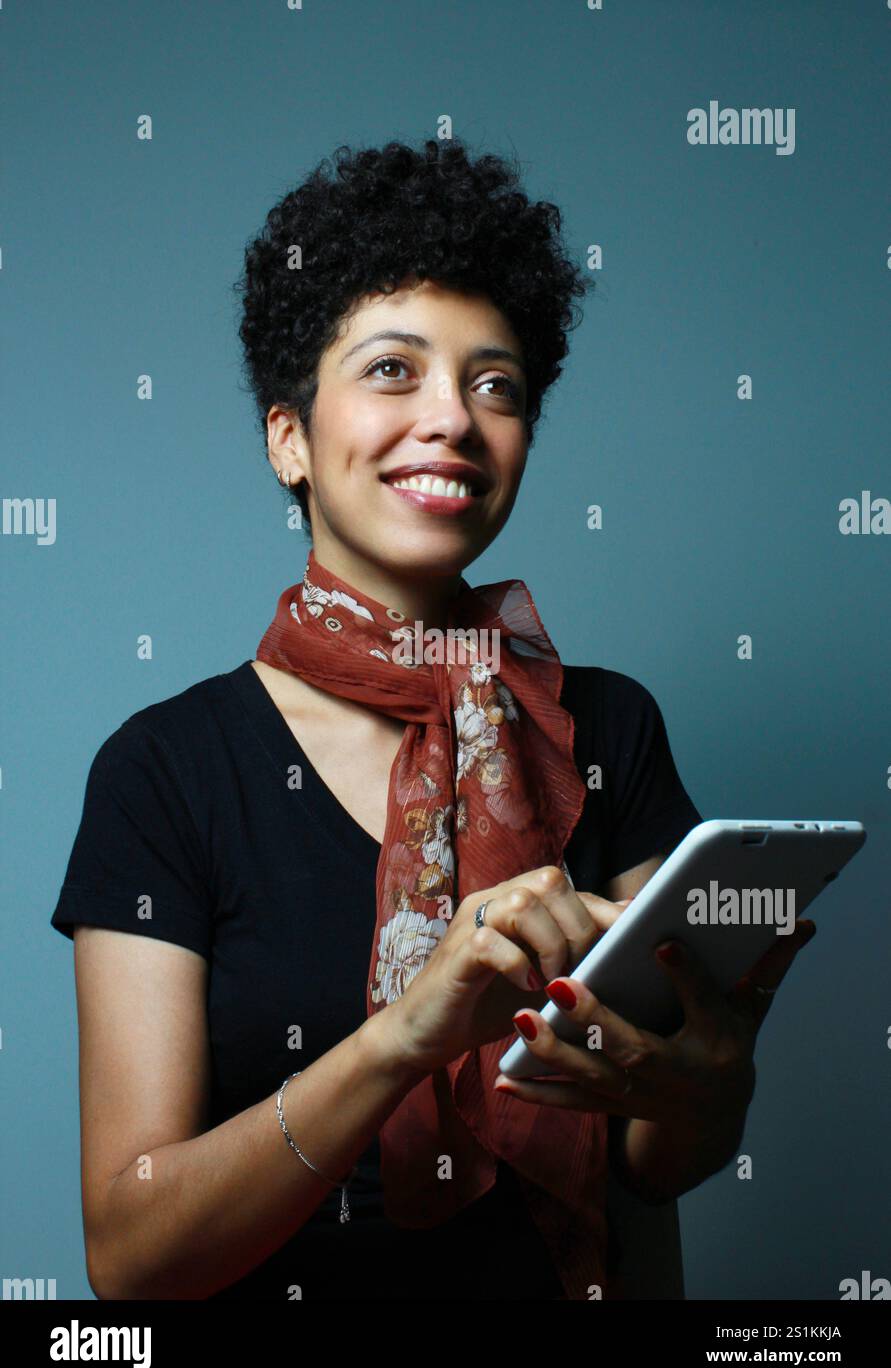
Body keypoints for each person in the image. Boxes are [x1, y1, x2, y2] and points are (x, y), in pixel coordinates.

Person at [50, 137, 816, 1301]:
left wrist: (715, 1072)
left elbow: (658, 1163)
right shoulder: (167, 771)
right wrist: (406, 1033)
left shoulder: (607, 728)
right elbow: (132, 1256)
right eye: (394, 370)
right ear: (289, 437)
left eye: (496, 384)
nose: (454, 419)